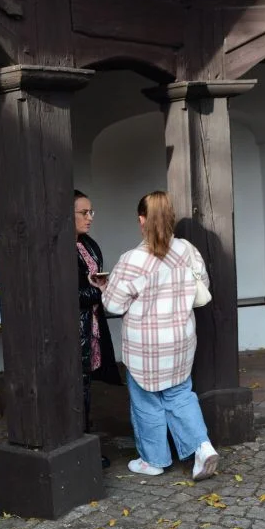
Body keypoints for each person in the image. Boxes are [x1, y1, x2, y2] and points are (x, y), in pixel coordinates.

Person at [91, 191, 219, 481]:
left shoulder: (132, 259)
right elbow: (203, 284)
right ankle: (202, 446)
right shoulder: (187, 250)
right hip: (181, 339)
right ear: (170, 218)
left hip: (145, 346)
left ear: (141, 220)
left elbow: (113, 304)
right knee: (180, 394)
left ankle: (154, 460)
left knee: (146, 401)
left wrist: (105, 285)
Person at [74, 190, 123, 468]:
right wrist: (100, 292)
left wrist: (100, 288)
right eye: (84, 212)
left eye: (91, 212)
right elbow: (68, 294)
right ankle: (81, 446)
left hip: (92, 325)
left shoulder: (88, 244)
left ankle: (87, 442)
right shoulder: (58, 250)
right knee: (76, 388)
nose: (90, 218)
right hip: (74, 329)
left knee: (86, 387)